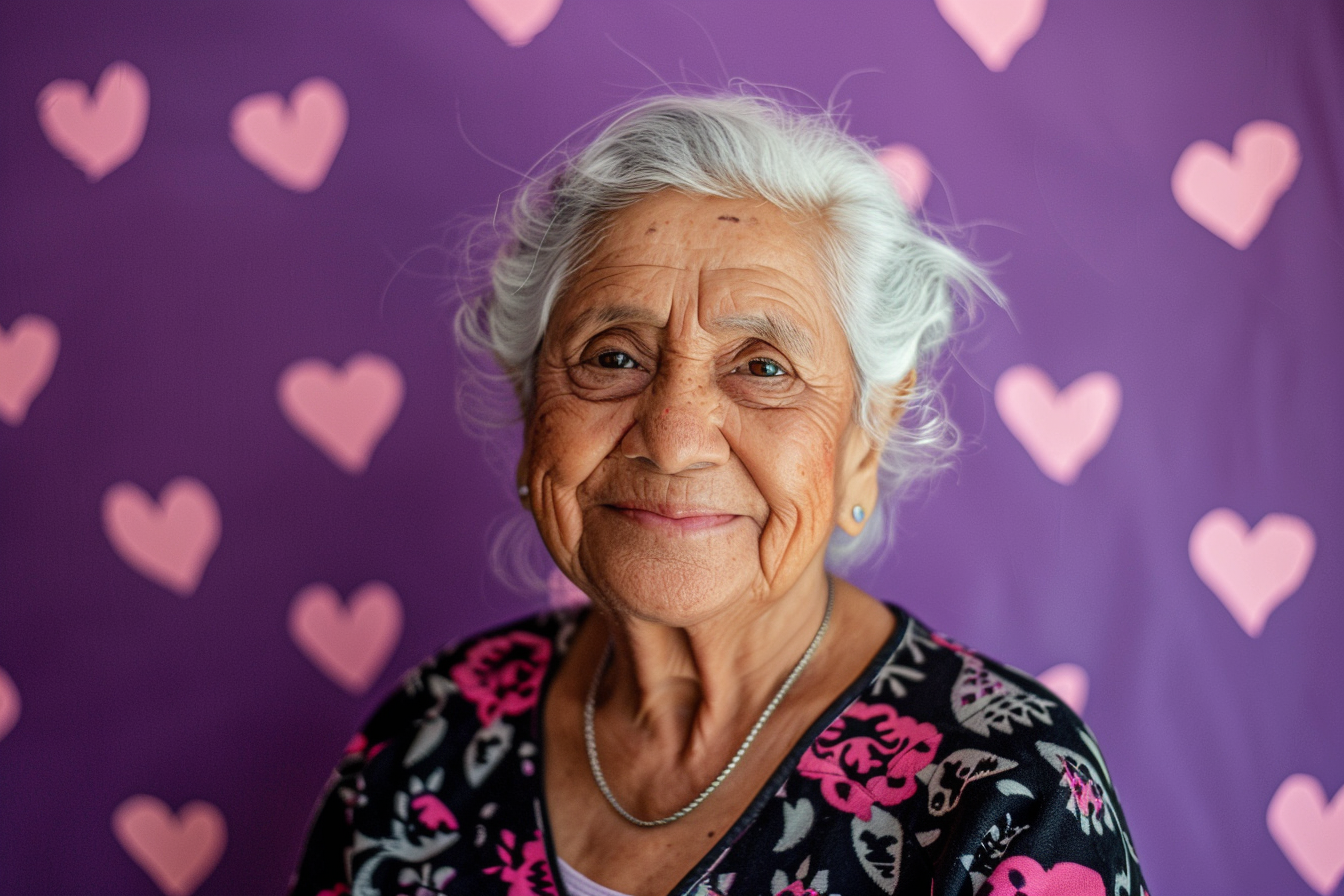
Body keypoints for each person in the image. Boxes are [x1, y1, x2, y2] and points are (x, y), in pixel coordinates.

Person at [290, 93, 1146, 896]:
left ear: (866, 436)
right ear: (530, 403)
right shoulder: (431, 736)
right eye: (614, 356)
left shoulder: (1007, 798)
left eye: (763, 368)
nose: (672, 436)